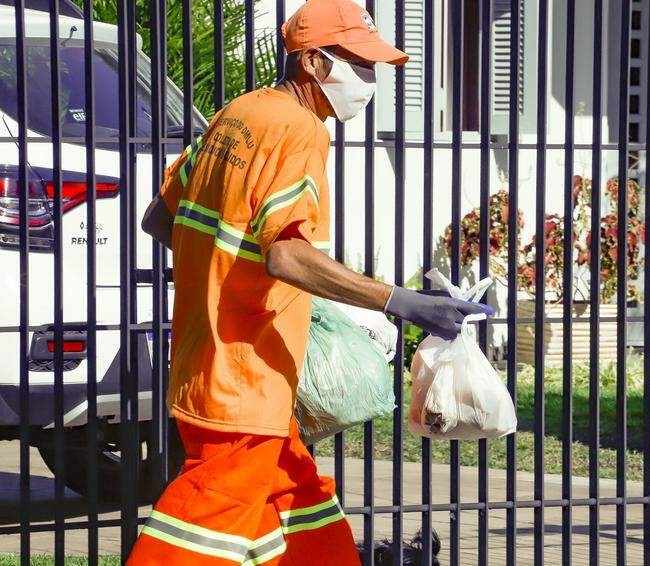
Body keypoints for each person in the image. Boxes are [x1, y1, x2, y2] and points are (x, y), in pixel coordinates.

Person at [127, 0, 491, 564]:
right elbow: (286, 257)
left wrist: (226, 273)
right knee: (200, 527)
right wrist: (402, 302)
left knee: (301, 506)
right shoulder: (300, 131)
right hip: (245, 377)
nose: (369, 81)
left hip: (210, 360)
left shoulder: (239, 114)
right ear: (314, 62)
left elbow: (160, 219)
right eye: (360, 64)